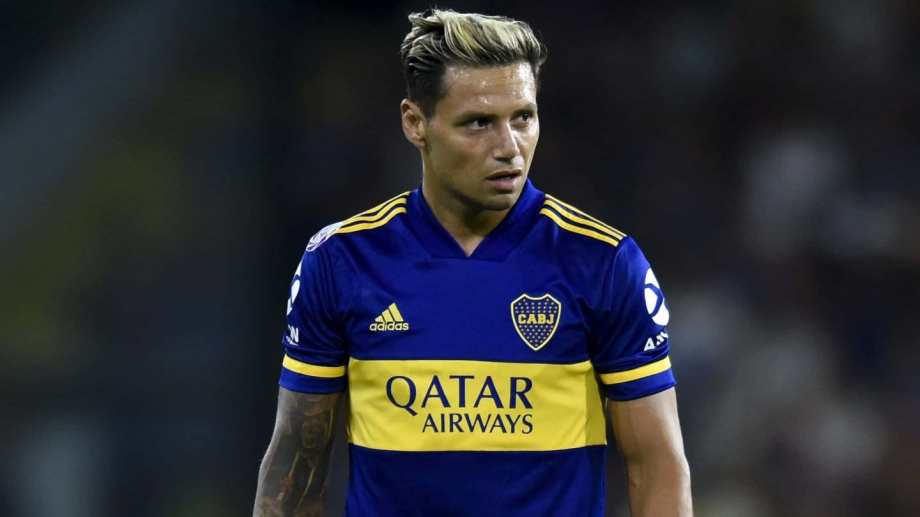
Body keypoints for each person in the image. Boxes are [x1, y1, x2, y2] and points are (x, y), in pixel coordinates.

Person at [253, 8, 691, 517]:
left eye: (523, 118)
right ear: (415, 123)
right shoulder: (342, 260)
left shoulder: (604, 263)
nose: (509, 147)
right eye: (478, 123)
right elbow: (298, 459)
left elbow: (656, 466)